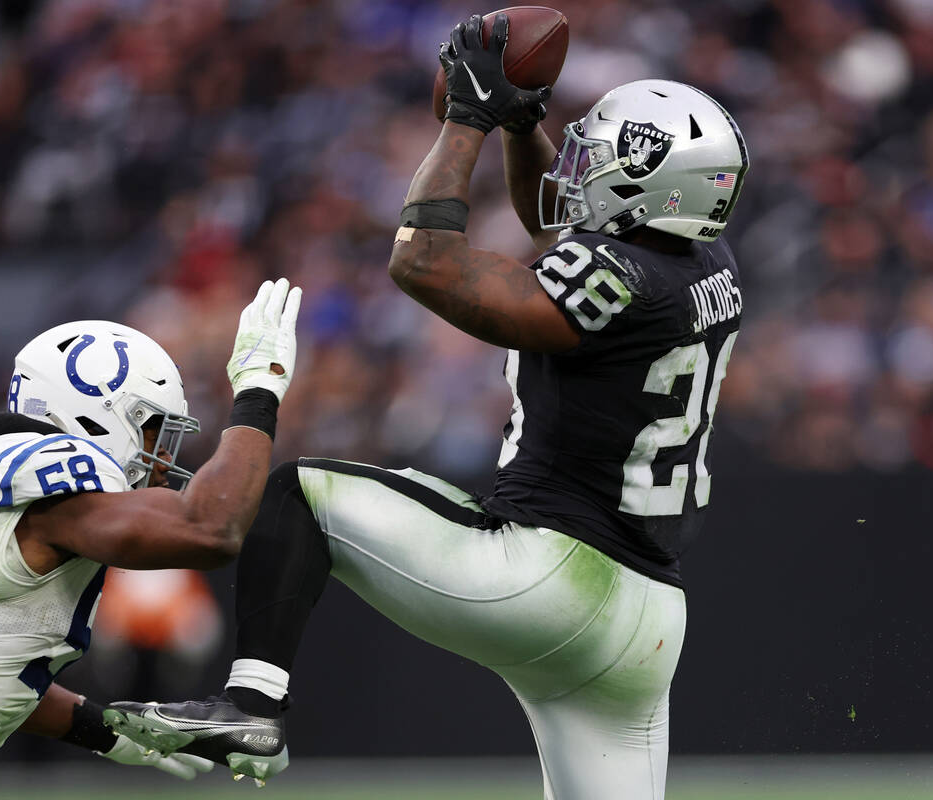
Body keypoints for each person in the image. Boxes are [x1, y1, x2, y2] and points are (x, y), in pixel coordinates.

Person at [108, 13, 749, 800]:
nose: (581, 166)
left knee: (300, 493)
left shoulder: (623, 276)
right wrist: (522, 124)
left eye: (604, 157)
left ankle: (252, 703)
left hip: (553, 578)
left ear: (652, 183)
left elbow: (425, 264)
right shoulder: (702, 258)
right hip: (647, 622)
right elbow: (559, 217)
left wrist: (470, 119)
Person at [0, 278, 301, 800]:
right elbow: (212, 529)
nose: (162, 460)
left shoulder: (13, 483)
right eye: (151, 430)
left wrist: (108, 733)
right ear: (96, 417)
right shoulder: (57, 485)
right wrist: (258, 391)